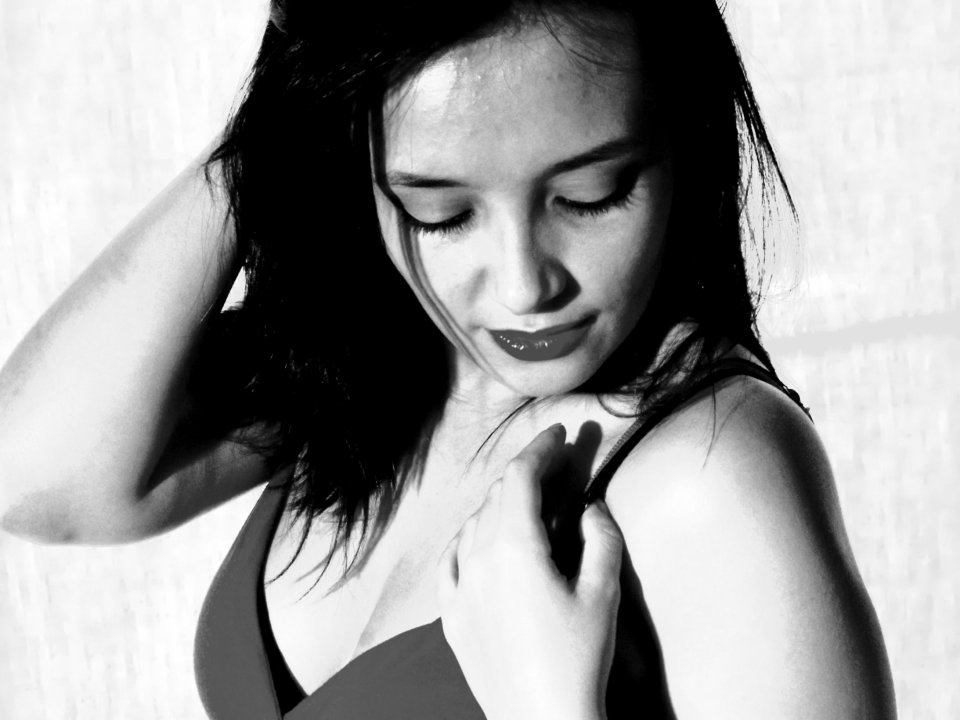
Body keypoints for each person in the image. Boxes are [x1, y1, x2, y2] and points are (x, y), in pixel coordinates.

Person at [0, 1, 896, 718]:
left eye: (591, 195)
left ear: (682, 138)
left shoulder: (709, 478)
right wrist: (294, 97)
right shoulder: (379, 363)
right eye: (441, 212)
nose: (523, 285)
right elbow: (34, 477)